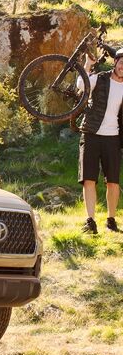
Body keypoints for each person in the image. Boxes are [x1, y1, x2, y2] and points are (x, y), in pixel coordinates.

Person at [77, 48, 123, 234]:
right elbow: (81, 84)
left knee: (113, 182)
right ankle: (90, 221)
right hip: (91, 134)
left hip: (113, 138)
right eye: (122, 63)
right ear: (116, 62)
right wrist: (88, 64)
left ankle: (111, 220)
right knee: (89, 179)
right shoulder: (101, 78)